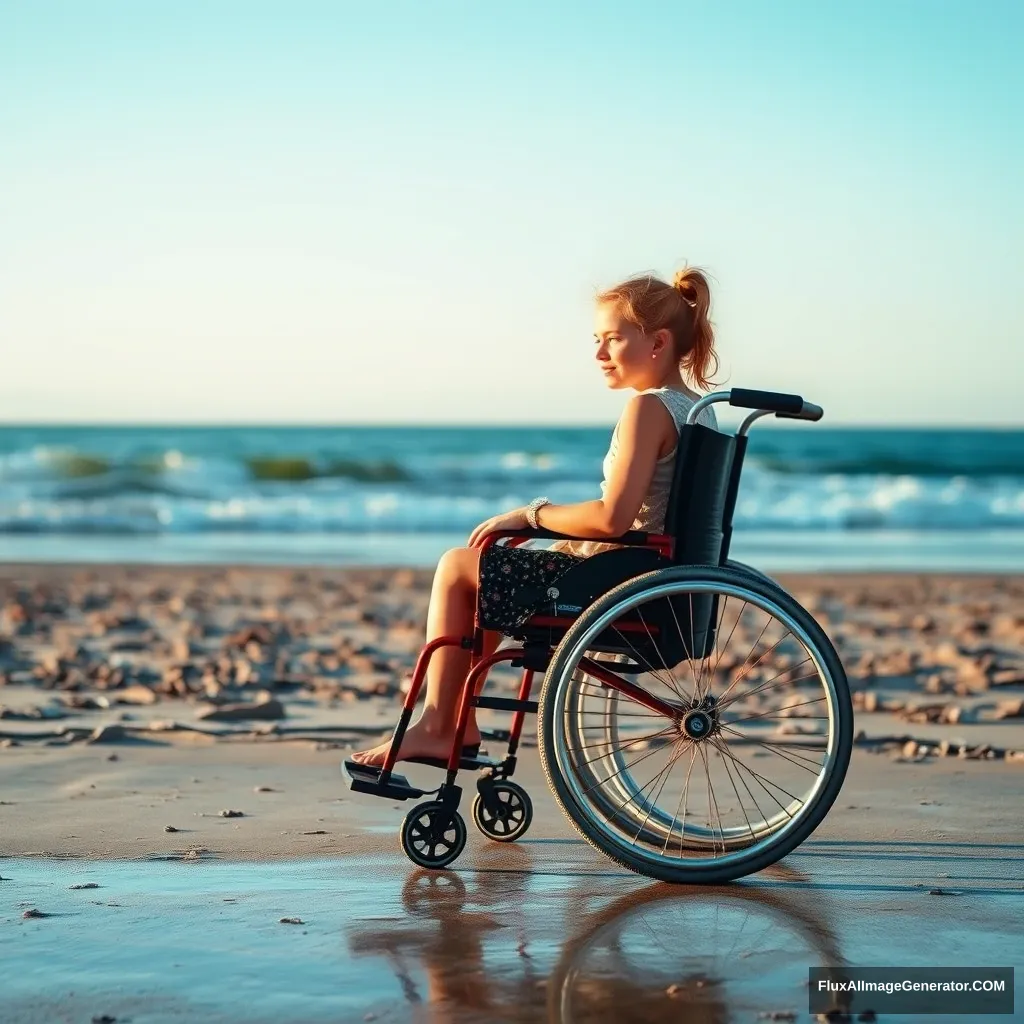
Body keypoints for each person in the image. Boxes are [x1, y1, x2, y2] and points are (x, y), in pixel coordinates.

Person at [351, 267, 720, 767]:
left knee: (460, 566)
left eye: (612, 339)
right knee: (488, 570)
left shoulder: (648, 411)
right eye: (597, 339)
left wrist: (533, 515)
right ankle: (452, 722)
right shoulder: (697, 410)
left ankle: (442, 725)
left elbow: (613, 519)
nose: (598, 354)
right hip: (652, 580)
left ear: (657, 342)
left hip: (622, 584)